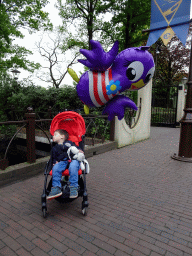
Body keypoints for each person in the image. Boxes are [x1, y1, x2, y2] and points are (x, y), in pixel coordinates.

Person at [47, 129, 83, 200]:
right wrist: (55, 162)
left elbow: (76, 149)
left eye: (55, 135)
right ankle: (56, 188)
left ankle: (73, 187)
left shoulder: (70, 143)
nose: (53, 136)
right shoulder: (55, 148)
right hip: (62, 161)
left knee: (73, 166)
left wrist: (79, 150)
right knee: (56, 168)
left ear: (62, 136)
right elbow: (53, 157)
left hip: (73, 160)